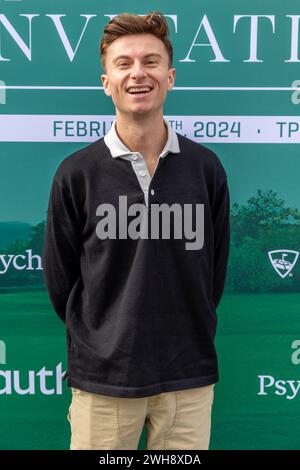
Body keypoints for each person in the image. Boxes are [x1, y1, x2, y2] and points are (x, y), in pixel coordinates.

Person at [43, 11, 230, 450]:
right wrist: (103, 340)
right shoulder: (77, 173)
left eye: (150, 61)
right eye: (123, 63)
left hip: (188, 378)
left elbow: (213, 273)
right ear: (106, 81)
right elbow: (61, 283)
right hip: (104, 382)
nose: (138, 73)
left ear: (170, 76)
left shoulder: (205, 169)